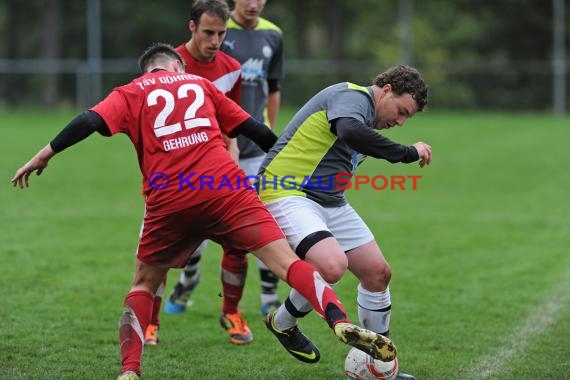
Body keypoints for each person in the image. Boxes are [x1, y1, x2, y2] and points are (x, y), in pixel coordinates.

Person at [11, 43, 397, 380]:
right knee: (286, 264)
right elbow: (254, 130)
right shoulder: (201, 84)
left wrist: (45, 154)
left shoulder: (131, 91)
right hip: (226, 188)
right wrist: (282, 158)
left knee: (143, 284)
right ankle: (338, 319)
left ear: (147, 71)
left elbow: (88, 121)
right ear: (178, 66)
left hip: (169, 198)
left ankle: (130, 369)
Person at [257, 65, 431, 379]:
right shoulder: (352, 96)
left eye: (409, 118)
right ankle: (282, 323)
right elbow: (350, 131)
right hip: (286, 190)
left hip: (329, 200)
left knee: (378, 274)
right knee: (331, 265)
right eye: (402, 111)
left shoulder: (367, 114)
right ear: (387, 89)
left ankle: (381, 365)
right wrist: (406, 153)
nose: (401, 121)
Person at [143, 0, 252, 348]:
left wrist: (232, 156)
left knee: (239, 244)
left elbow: (231, 123)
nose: (215, 40)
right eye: (208, 32)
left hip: (216, 171)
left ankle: (231, 312)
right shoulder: (164, 66)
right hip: (172, 175)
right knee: (160, 252)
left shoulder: (233, 68)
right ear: (191, 27)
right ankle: (151, 323)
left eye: (221, 33)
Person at [167, 0, 285, 318]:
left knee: (264, 222)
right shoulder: (209, 38)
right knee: (196, 229)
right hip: (202, 155)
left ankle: (268, 297)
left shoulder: (273, 35)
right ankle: (188, 280)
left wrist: (269, 133)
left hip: (251, 149)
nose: (254, 3)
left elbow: (273, 87)